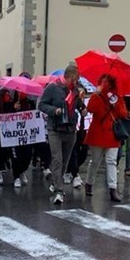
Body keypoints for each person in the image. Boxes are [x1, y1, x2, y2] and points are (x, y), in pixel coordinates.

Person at [37, 63, 83, 204]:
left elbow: (79, 107)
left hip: (70, 130)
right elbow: (41, 105)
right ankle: (59, 191)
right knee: (57, 159)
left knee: (65, 161)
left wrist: (82, 107)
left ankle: (55, 182)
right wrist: (54, 110)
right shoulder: (52, 88)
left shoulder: (75, 90)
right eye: (76, 78)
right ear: (69, 77)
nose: (77, 81)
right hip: (55, 129)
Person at [84, 74, 128, 203]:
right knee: (95, 161)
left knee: (111, 161)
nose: (105, 85)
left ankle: (113, 189)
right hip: (97, 134)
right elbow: (91, 108)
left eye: (107, 82)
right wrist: (95, 94)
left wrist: (116, 105)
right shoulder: (97, 96)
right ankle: (89, 183)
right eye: (103, 82)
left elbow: (124, 114)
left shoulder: (117, 96)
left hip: (112, 135)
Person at [10, 91, 35, 188]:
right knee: (16, 156)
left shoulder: (30, 103)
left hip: (27, 134)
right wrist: (14, 108)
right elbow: (5, 115)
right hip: (15, 135)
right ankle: (16, 176)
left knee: (27, 155)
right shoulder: (12, 103)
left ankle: (22, 170)